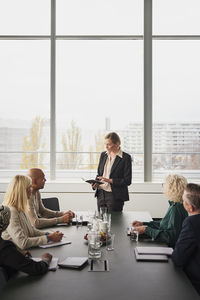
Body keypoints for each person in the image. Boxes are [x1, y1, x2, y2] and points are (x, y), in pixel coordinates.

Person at [2, 175, 63, 250]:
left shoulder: (20, 208)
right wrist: (48, 238)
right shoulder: (11, 212)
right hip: (14, 255)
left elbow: (32, 231)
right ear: (22, 191)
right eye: (29, 187)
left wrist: (49, 234)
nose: (32, 190)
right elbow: (23, 243)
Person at [132, 174, 188, 247]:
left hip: (170, 250)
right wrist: (143, 224)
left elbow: (170, 237)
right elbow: (163, 225)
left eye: (164, 185)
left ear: (171, 188)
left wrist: (146, 230)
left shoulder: (176, 208)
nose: (163, 187)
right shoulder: (176, 204)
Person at [0, 205, 52, 280]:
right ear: (6, 225)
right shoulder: (4, 248)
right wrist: (46, 260)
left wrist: (15, 254)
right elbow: (36, 269)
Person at [92, 132, 132, 212]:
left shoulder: (125, 158)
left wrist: (109, 180)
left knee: (114, 222)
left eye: (109, 144)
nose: (106, 147)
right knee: (101, 221)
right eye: (105, 144)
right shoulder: (103, 155)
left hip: (114, 195)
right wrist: (95, 183)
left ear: (117, 144)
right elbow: (99, 174)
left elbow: (127, 181)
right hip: (100, 193)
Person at [172, 183, 200, 295]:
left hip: (194, 282)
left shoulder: (191, 223)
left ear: (190, 207)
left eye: (183, 200)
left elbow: (179, 257)